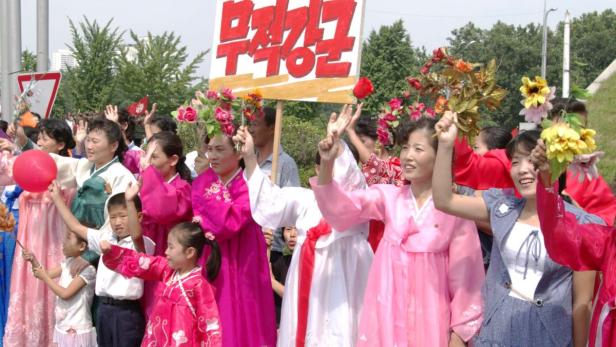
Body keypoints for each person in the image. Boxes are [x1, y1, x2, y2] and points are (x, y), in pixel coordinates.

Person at [432, 113, 603, 346]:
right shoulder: (502, 206)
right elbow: (444, 201)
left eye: (532, 161)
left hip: (549, 337)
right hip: (497, 332)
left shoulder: (582, 225)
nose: (523, 170)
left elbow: (582, 303)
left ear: (556, 163)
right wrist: (445, 145)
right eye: (515, 162)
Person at [311, 116, 484, 346]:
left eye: (418, 149)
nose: (408, 156)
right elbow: (340, 209)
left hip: (431, 325)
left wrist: (459, 337)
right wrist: (327, 164)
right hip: (386, 320)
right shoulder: (389, 198)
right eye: (405, 148)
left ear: (440, 155)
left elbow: (468, 284)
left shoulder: (457, 213)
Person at [235, 105, 373, 346]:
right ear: (316, 168)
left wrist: (337, 144)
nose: (328, 170)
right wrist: (248, 156)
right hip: (307, 284)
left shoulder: (359, 199)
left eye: (336, 161)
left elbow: (347, 183)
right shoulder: (304, 199)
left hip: (344, 283)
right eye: (322, 163)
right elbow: (269, 203)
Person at [192, 130, 276, 346]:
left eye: (220, 149)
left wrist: (207, 203)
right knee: (214, 311)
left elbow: (230, 222)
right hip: (214, 257)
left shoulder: (251, 184)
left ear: (238, 153)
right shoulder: (203, 181)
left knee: (247, 312)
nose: (212, 156)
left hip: (244, 256)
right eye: (210, 149)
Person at [1, 119, 78, 347]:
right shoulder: (31, 166)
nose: (40, 142)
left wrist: (22, 146)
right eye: (39, 137)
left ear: (61, 143)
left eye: (46, 138)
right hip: (27, 248)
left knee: (49, 295)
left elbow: (55, 166)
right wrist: (10, 149)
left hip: (52, 247)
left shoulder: (66, 170)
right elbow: (6, 170)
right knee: (26, 299)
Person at [49, 187, 155, 347]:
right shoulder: (105, 238)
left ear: (138, 216)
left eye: (123, 216)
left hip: (127, 312)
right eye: (112, 217)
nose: (117, 222)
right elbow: (76, 227)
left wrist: (130, 201)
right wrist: (57, 199)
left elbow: (136, 235)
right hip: (104, 309)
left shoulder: (144, 244)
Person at [100, 219, 222, 346]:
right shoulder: (166, 270)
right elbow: (141, 262)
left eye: (171, 247)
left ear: (189, 252)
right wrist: (112, 252)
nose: (166, 252)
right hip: (157, 339)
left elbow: (209, 325)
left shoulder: (199, 285)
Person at [23, 231, 97, 347]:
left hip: (77, 329)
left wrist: (45, 276)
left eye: (68, 238)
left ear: (82, 246)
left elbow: (66, 294)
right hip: (62, 327)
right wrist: (33, 260)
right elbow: (43, 274)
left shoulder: (88, 270)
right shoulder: (67, 263)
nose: (63, 242)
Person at [345, 108, 403, 252]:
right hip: (363, 235)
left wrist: (351, 132)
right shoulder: (359, 171)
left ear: (379, 141)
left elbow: (376, 167)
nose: (358, 147)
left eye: (362, 142)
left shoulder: (397, 167)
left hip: (387, 236)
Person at [248, 107, 300, 263]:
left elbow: (292, 206)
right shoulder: (247, 161)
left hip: (271, 251)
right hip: (246, 245)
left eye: (256, 124)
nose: (251, 130)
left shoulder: (285, 164)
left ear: (272, 129)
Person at [271, 226, 297, 326]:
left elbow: (293, 295)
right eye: (288, 229)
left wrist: (272, 281)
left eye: (297, 229)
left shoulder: (311, 261)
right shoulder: (281, 261)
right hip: (282, 322)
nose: (292, 234)